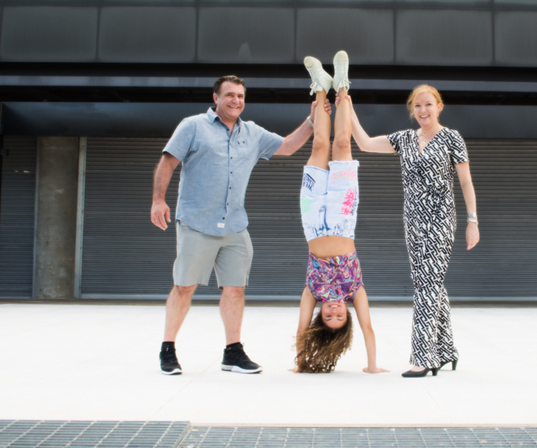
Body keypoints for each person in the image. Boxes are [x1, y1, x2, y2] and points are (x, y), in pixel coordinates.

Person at [151, 74, 320, 375]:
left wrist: (311, 120)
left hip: (235, 225)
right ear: (215, 98)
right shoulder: (193, 126)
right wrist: (158, 200)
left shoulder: (252, 133)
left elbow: (287, 146)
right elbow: (168, 161)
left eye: (240, 96)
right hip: (196, 222)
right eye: (230, 95)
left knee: (235, 289)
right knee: (184, 286)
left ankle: (233, 352)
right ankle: (168, 349)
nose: (236, 100)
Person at [350, 84, 479, 378]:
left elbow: (466, 181)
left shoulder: (451, 138)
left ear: (439, 106)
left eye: (428, 104)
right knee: (428, 282)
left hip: (440, 219)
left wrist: (473, 221)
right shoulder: (405, 139)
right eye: (418, 105)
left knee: (427, 285)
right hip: (413, 220)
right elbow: (365, 143)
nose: (423, 110)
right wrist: (348, 106)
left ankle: (423, 357)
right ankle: (446, 350)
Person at [293, 52, 385, 374]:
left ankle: (320, 87)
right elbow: (368, 328)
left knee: (320, 145)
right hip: (344, 217)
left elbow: (301, 330)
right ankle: (342, 86)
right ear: (347, 316)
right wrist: (372, 366)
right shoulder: (354, 291)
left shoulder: (312, 292)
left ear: (320, 316)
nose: (333, 310)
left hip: (312, 219)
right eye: (339, 316)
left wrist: (301, 364)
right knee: (342, 144)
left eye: (328, 316)